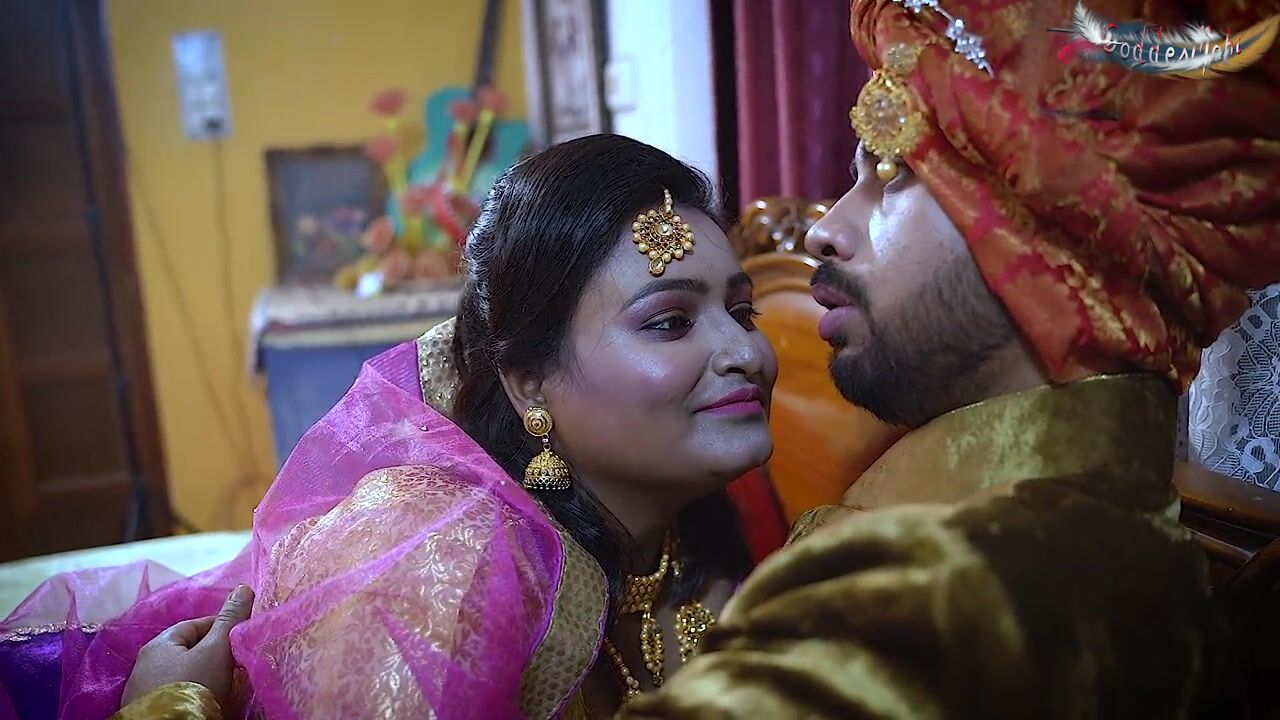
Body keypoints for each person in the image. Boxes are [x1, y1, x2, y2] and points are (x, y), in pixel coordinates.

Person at [621, 0, 1279, 716]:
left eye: (892, 171)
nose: (824, 231)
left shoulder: (947, 600)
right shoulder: (1084, 532)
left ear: (1068, 232)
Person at [0, 135, 782, 719]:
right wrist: (170, 709)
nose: (746, 352)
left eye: (743, 311)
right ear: (528, 382)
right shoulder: (438, 568)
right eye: (670, 322)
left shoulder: (719, 529)